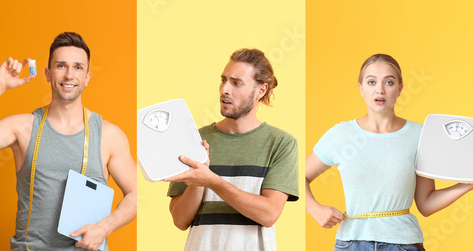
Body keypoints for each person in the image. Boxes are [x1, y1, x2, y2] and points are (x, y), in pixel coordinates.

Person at [0, 32, 137, 251]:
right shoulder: (23, 127)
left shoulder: (108, 135)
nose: (69, 75)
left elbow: (135, 194)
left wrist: (104, 228)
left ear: (87, 77)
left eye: (78, 67)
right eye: (61, 66)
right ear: (48, 74)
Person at [304, 54, 472, 251]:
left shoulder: (420, 135)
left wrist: (467, 184)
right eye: (371, 82)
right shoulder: (341, 135)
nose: (380, 90)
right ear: (361, 88)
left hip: (403, 244)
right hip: (351, 244)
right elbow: (295, 176)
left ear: (400, 88)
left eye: (389, 82)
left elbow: (426, 204)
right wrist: (314, 209)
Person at [165, 48, 298, 251]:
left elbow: (269, 214)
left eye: (236, 83)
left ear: (260, 90)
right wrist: (198, 182)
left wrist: (212, 180)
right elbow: (180, 220)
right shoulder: (194, 139)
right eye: (223, 80)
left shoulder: (281, 143)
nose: (225, 89)